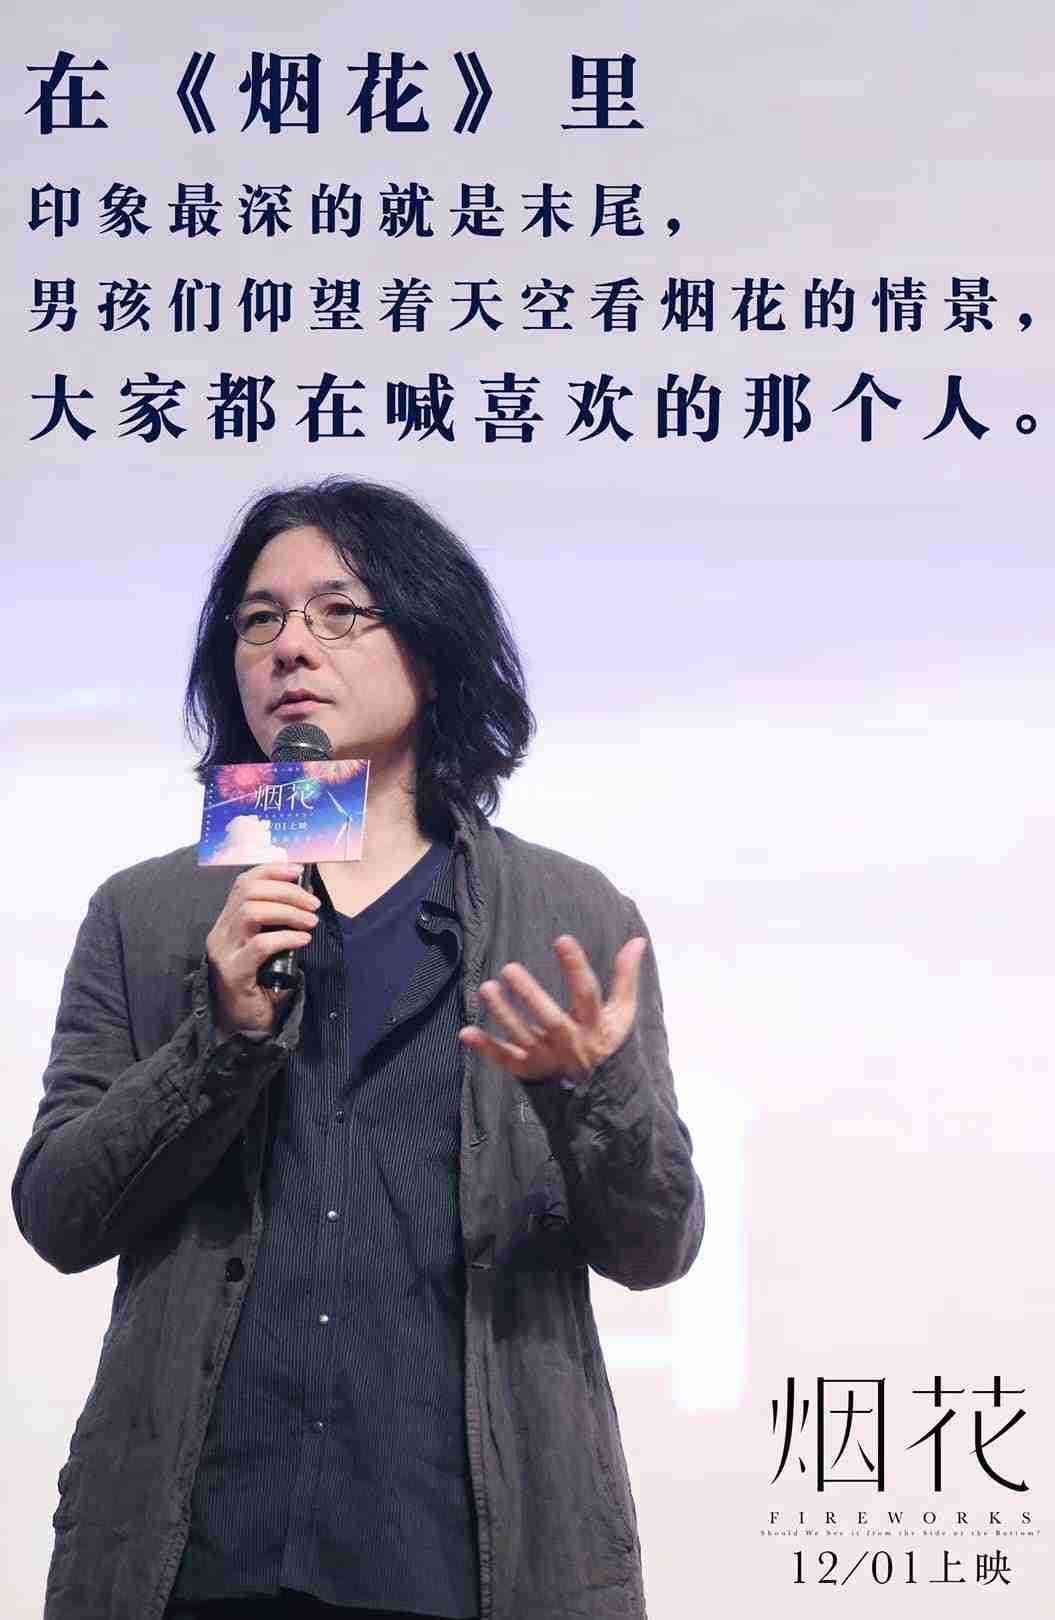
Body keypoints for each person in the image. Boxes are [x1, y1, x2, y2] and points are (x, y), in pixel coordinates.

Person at [12, 477, 706, 1620]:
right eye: (259, 620)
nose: (291, 645)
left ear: (430, 649)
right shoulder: (150, 915)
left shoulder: (566, 915)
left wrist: (589, 1096)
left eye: (339, 611)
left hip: (469, 1569)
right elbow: (58, 1215)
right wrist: (219, 1037)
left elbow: (656, 1245)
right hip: (198, 1568)